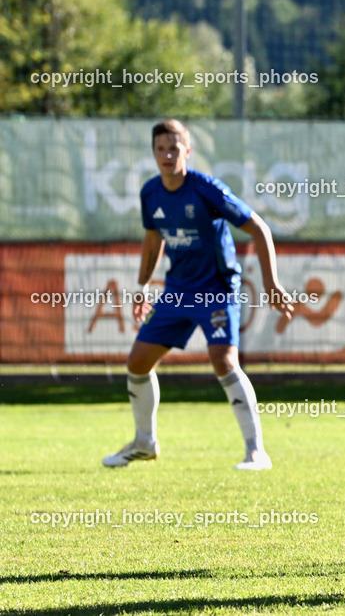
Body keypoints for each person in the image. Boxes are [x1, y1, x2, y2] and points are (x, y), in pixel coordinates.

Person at [102, 119, 294, 471]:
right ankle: (145, 442)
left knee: (224, 361)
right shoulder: (150, 193)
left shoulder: (206, 189)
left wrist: (272, 284)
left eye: (174, 148)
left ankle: (256, 452)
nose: (167, 154)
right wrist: (143, 285)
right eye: (161, 148)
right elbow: (153, 239)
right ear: (153, 153)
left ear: (187, 151)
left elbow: (259, 228)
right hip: (177, 290)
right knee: (137, 363)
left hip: (216, 288)